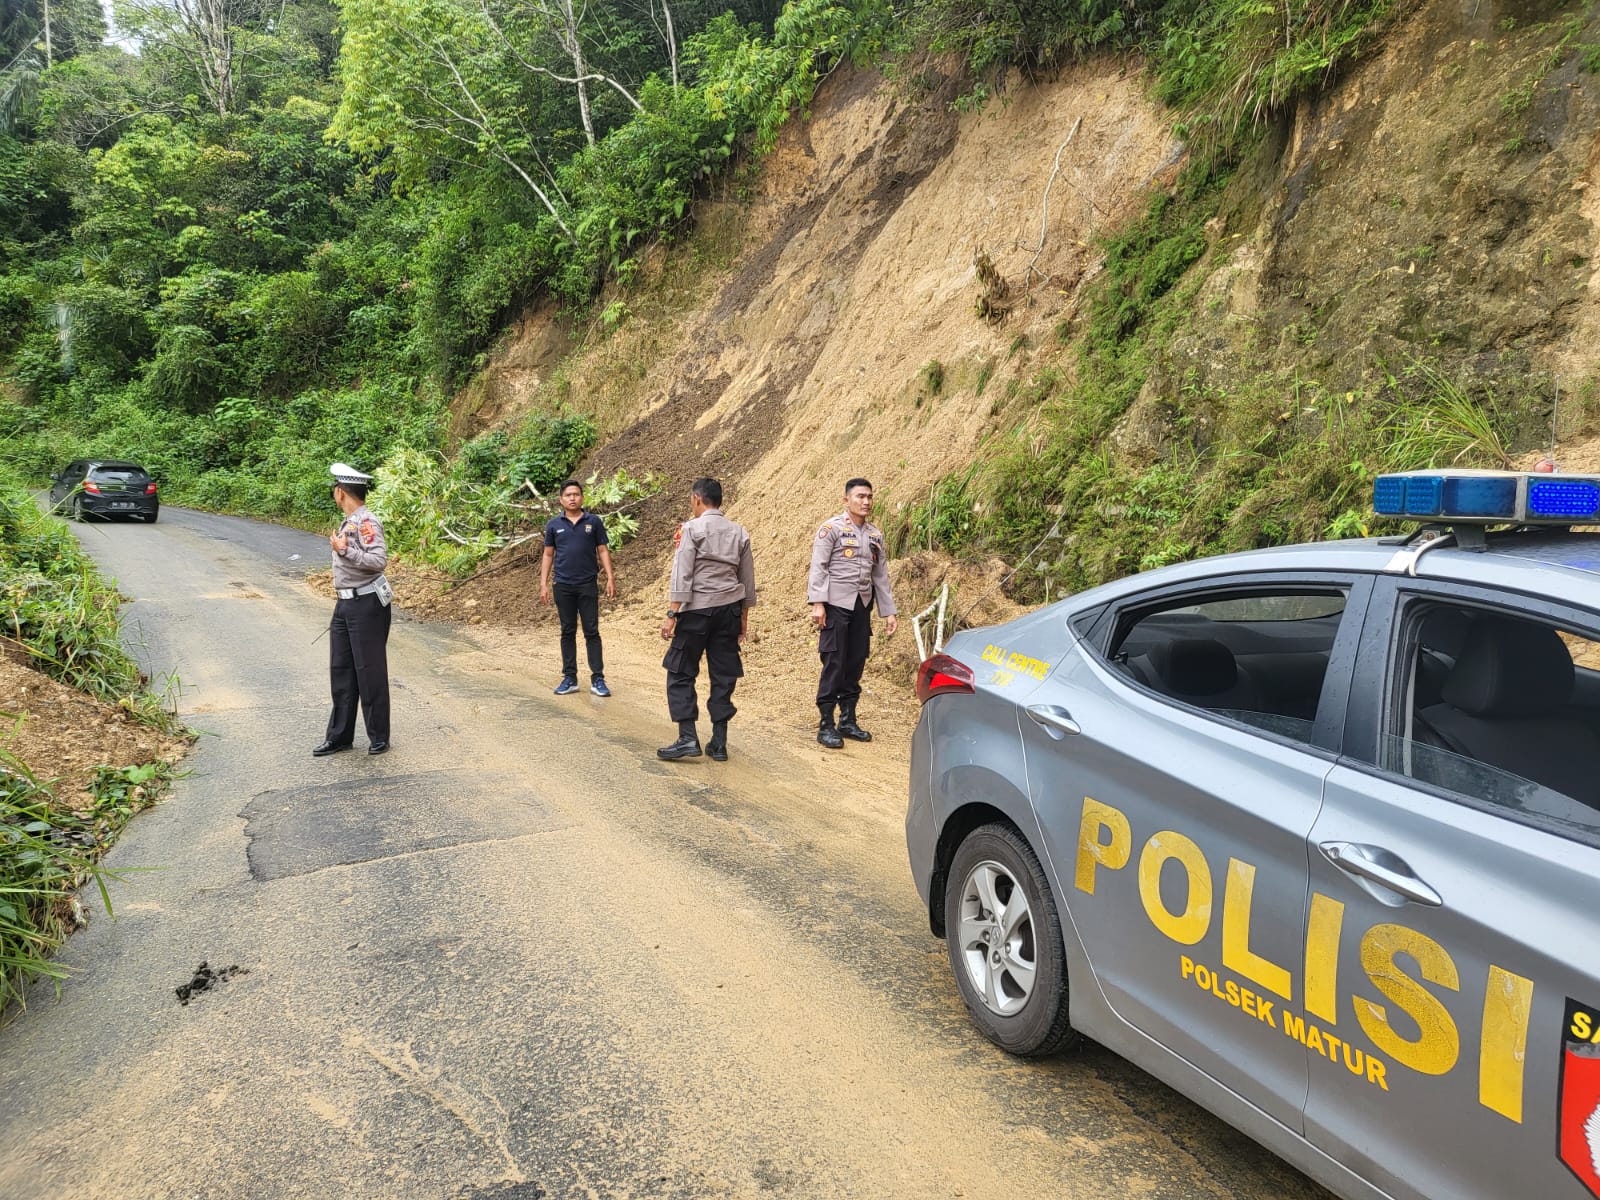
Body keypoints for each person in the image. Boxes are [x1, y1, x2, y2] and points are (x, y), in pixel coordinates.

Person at [657, 478, 756, 762]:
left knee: (680, 670)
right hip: (729, 611)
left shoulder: (691, 528)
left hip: (697, 609)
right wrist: (744, 617)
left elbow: (683, 573)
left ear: (697, 499)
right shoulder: (739, 532)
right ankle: (719, 743)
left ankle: (688, 737)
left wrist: (672, 613)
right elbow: (747, 579)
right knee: (723, 674)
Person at [808, 476, 898, 749]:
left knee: (856, 660)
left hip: (861, 605)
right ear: (846, 499)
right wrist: (818, 603)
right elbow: (819, 566)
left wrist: (889, 612)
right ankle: (826, 724)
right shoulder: (831, 529)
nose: (866, 501)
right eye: (860, 496)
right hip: (836, 605)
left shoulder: (874, 535)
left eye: (869, 497)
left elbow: (880, 575)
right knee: (834, 661)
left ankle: (847, 720)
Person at [315, 463, 393, 757]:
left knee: (369, 672)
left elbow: (378, 561)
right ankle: (339, 736)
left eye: (335, 490)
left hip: (366, 604)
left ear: (340, 492)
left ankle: (379, 737)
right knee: (341, 670)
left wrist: (345, 550)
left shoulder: (366, 522)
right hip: (345, 603)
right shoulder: (349, 521)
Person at [539, 480, 616, 697]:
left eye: (576, 494)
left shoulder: (594, 522)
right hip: (563, 585)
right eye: (568, 495)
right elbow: (548, 554)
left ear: (582, 497)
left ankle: (598, 679)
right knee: (567, 630)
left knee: (592, 631)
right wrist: (543, 583)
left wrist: (610, 577)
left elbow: (602, 550)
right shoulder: (554, 525)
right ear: (561, 499)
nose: (572, 498)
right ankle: (570, 678)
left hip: (587, 584)